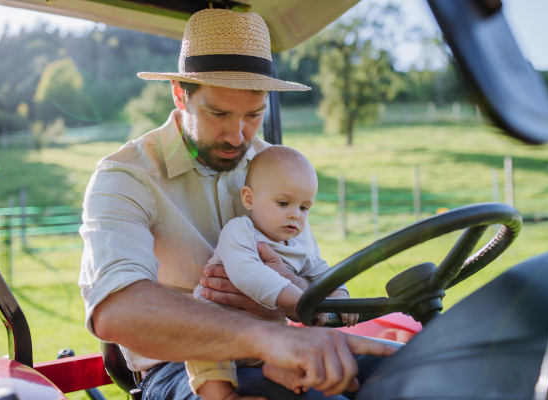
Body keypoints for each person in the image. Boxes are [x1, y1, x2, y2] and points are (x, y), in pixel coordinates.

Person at [79, 8, 394, 400]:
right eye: (218, 113)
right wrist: (262, 335)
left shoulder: (272, 167)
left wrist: (291, 293)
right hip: (183, 368)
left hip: (282, 346)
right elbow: (116, 309)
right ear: (181, 94)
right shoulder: (125, 176)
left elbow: (311, 275)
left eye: (253, 114)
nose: (236, 135)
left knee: (418, 369)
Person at [187, 146, 360, 400]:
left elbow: (323, 272)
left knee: (297, 341)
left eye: (304, 208)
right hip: (217, 329)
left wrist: (340, 295)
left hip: (266, 338)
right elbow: (248, 274)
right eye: (283, 203)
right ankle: (223, 396)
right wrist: (300, 299)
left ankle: (281, 369)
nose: (295, 215)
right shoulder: (240, 231)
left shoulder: (297, 245)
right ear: (249, 199)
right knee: (202, 347)